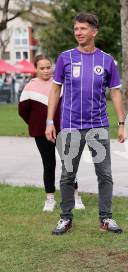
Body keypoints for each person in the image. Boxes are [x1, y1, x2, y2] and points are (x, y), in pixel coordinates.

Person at [45, 12, 125, 235]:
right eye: (76, 29)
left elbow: (116, 92)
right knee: (68, 174)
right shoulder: (65, 58)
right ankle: (65, 218)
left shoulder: (107, 60)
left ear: (94, 31)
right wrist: (50, 121)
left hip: (98, 126)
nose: (78, 33)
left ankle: (106, 218)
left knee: (104, 174)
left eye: (82, 29)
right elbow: (55, 89)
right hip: (70, 126)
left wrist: (121, 122)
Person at [18, 55, 85, 212]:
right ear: (36, 69)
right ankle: (50, 199)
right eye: (42, 68)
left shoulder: (60, 84)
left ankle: (75, 196)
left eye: (48, 67)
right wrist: (36, 124)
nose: (46, 71)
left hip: (64, 130)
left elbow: (72, 105)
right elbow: (23, 112)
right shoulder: (29, 88)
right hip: (41, 133)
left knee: (68, 164)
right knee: (48, 165)